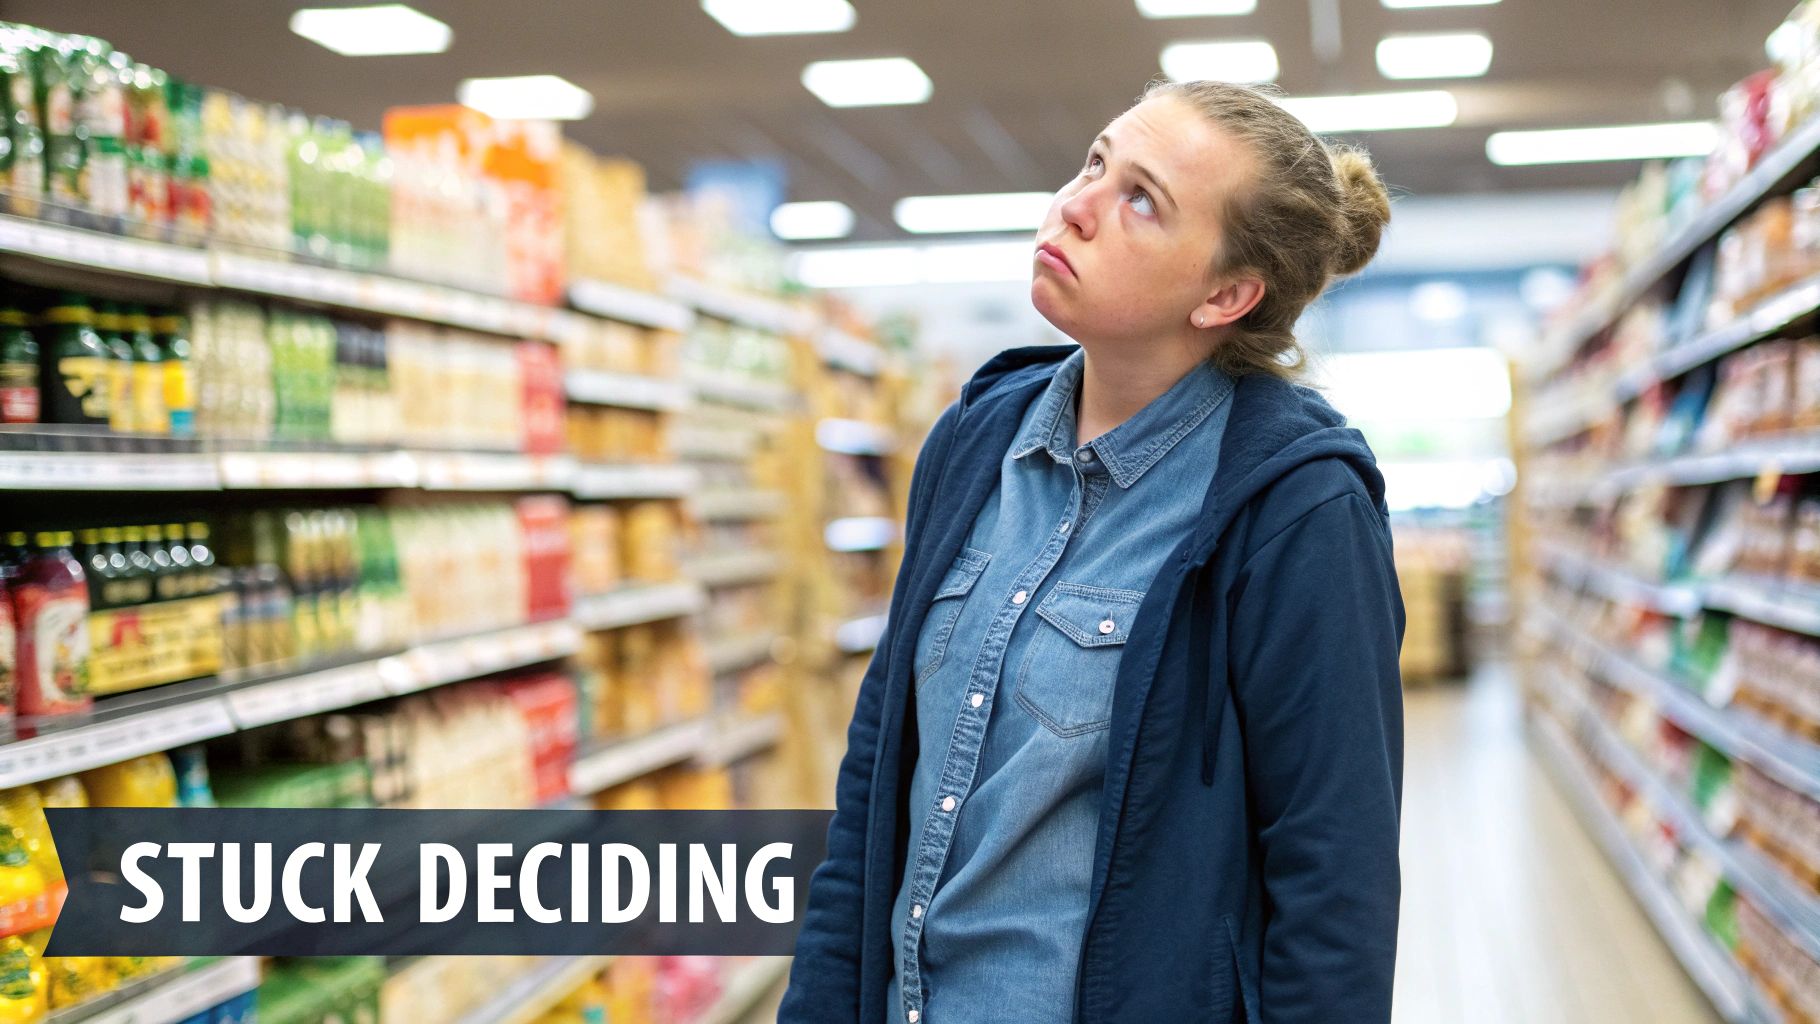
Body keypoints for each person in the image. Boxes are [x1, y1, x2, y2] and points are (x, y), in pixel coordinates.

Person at [780, 78, 1406, 1024]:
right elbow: (875, 778)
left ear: (1227, 293)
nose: (1075, 207)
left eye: (1139, 201)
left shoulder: (1294, 505)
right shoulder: (973, 444)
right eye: (1095, 163)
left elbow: (1335, 880)